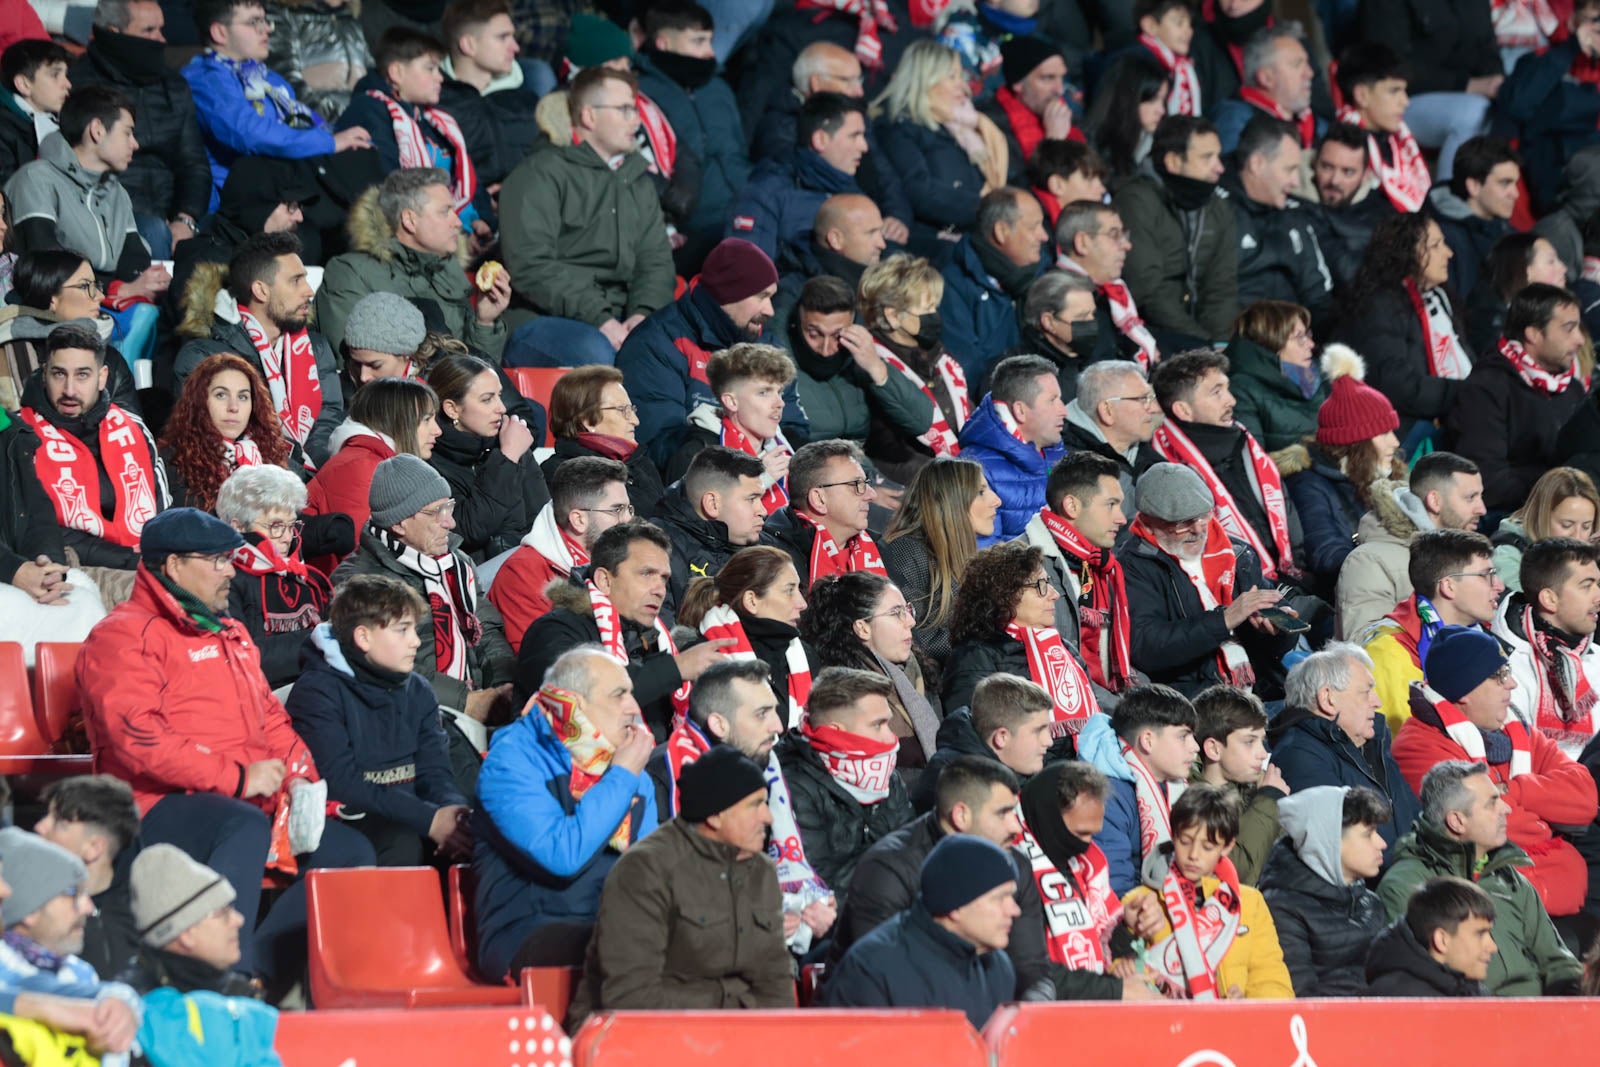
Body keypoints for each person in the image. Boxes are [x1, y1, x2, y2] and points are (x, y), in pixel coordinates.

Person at [76, 507, 375, 990]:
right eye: (214, 561)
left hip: (240, 804)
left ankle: (256, 980)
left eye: (228, 559)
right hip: (152, 808)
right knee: (242, 825)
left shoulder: (229, 633)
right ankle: (224, 976)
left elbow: (272, 720)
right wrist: (238, 777)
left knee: (349, 851)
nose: (228, 571)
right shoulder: (122, 636)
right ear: (173, 566)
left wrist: (300, 778)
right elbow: (137, 740)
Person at [566, 744, 791, 1025]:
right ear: (714, 816)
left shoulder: (762, 872)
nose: (768, 817)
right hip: (633, 1040)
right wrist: (725, 1021)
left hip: (730, 1039)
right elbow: (631, 999)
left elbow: (775, 983)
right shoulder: (645, 869)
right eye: (755, 805)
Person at [471, 645, 658, 979]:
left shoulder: (627, 767)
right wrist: (621, 778)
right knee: (636, 948)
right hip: (526, 934)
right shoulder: (512, 761)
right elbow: (561, 856)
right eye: (619, 695)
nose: (633, 708)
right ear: (576, 703)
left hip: (613, 927)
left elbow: (651, 871)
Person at [1393, 625, 1598, 918]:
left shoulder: (1516, 731)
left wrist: (1513, 791)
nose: (1512, 684)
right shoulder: (1419, 746)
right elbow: (1481, 828)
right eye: (1499, 675)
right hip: (1491, 909)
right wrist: (1548, 820)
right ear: (1465, 690)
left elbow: (1584, 798)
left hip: (1547, 898)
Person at [332, 455, 515, 775]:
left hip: (478, 708)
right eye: (436, 512)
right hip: (412, 726)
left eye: (450, 507)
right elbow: (384, 672)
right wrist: (467, 703)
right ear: (399, 522)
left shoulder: (457, 565)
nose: (451, 522)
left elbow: (485, 628)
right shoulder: (359, 583)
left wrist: (504, 686)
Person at [830, 757, 1053, 1000]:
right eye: (1004, 813)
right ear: (961, 816)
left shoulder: (1014, 864)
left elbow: (1031, 970)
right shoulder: (889, 868)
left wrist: (1028, 1021)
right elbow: (884, 977)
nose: (1016, 827)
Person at [287, 574, 471, 865]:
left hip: (413, 814)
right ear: (363, 637)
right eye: (402, 630)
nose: (415, 641)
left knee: (479, 835)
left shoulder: (419, 689)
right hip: (350, 820)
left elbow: (435, 771)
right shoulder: (317, 691)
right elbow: (340, 782)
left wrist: (453, 814)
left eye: (414, 629)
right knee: (401, 841)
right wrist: (429, 819)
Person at [498, 65, 674, 368]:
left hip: (620, 319)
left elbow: (655, 262)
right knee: (601, 356)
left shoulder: (638, 182)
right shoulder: (540, 173)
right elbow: (530, 264)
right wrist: (601, 318)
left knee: (676, 355)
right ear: (589, 116)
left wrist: (642, 315)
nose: (636, 119)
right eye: (625, 110)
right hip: (543, 319)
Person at [1376, 759, 1583, 996]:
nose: (1506, 809)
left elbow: (1558, 962)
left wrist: (1574, 1008)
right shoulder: (1405, 888)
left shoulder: (1510, 878)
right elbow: (1416, 985)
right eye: (1491, 803)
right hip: (1469, 1022)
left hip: (1538, 1019)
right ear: (1457, 821)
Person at [515, 520, 728, 739]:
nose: (660, 590)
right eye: (646, 574)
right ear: (605, 581)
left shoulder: (655, 640)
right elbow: (578, 703)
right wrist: (676, 669)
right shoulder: (556, 630)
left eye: (664, 579)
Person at [618, 237, 802, 469]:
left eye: (771, 297)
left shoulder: (765, 343)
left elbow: (794, 427)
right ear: (729, 293)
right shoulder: (656, 343)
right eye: (761, 297)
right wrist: (747, 465)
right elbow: (658, 446)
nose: (770, 310)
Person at [1117, 463, 1293, 698]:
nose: (1199, 528)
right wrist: (1225, 619)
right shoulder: (1133, 565)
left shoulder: (1237, 553)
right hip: (1193, 705)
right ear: (1149, 521)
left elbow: (1272, 649)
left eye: (1204, 515)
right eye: (1183, 522)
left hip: (1261, 691)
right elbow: (1146, 647)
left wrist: (1277, 631)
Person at [174, 231, 343, 468]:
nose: (308, 291)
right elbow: (211, 440)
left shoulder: (316, 348)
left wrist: (321, 477)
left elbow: (327, 423)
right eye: (296, 280)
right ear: (261, 291)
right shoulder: (204, 357)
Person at [16, 323, 167, 584]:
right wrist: (135, 563)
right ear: (44, 375)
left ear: (102, 377)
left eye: (82, 375)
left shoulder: (132, 428)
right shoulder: (17, 435)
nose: (70, 390)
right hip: (68, 570)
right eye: (59, 374)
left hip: (144, 563)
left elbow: (163, 511)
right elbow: (41, 530)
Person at [181, 0, 374, 201]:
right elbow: (248, 133)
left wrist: (344, 139)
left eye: (265, 20)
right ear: (220, 33)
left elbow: (300, 124)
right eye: (254, 22)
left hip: (280, 188)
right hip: (235, 202)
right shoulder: (205, 79)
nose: (267, 29)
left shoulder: (268, 79)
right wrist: (330, 142)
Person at [822, 832, 1020, 1026]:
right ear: (956, 907)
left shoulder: (998, 968)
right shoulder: (872, 969)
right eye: (999, 898)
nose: (1015, 910)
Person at [315, 167, 509, 361]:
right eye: (445, 212)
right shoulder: (350, 274)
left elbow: (477, 370)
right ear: (409, 220)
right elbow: (356, 365)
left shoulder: (447, 271)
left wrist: (485, 322)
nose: (457, 222)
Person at [1118, 783, 1293, 998]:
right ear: (1173, 835)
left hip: (1233, 1029)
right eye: (1185, 841)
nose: (1193, 854)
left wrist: (1249, 1005)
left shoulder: (1249, 902)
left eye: (1208, 847)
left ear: (1228, 846)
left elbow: (1271, 978)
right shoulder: (1141, 901)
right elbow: (1116, 972)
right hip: (1165, 1025)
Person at [69, 0, 211, 261]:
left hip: (171, 214)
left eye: (161, 29)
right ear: (114, 32)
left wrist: (185, 219)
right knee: (153, 233)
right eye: (148, 31)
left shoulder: (173, 86)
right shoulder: (76, 85)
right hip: (107, 214)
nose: (161, 39)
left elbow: (194, 164)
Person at [1148, 347, 1302, 583]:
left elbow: (1290, 523)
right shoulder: (1166, 470)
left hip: (1293, 577)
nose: (1231, 400)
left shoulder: (1247, 445)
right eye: (1216, 392)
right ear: (1183, 410)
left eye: (1227, 389)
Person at [5, 85, 166, 304]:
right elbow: (47, 265)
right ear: (97, 130)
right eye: (127, 133)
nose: (135, 144)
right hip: (48, 307)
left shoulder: (117, 193)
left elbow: (134, 260)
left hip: (99, 300)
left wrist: (144, 284)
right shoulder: (36, 179)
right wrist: (117, 288)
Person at [335, 26, 493, 237]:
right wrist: (458, 238)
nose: (440, 78)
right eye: (430, 68)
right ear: (396, 72)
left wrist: (484, 222)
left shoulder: (434, 120)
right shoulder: (368, 111)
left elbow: (468, 176)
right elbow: (387, 185)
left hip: (455, 233)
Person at [1446, 283, 1589, 514]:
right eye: (1568, 328)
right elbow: (1488, 481)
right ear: (1533, 333)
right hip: (1510, 519)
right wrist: (1558, 490)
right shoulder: (1486, 389)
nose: (1580, 339)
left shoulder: (1571, 388)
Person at [0, 828, 143, 1055]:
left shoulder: (80, 971)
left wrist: (119, 998)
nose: (88, 907)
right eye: (74, 893)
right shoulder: (4, 959)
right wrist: (52, 1008)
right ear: (30, 909)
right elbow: (25, 983)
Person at [1265, 644, 1420, 853]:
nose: (1377, 701)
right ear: (1328, 699)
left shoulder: (1374, 744)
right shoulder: (1299, 757)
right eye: (1366, 692)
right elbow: (1345, 848)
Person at [773, 666, 914, 894]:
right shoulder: (791, 785)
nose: (891, 737)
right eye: (878, 725)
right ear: (835, 731)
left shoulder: (884, 773)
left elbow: (912, 848)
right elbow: (819, 882)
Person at [1332, 209, 1467, 448]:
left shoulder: (1439, 299)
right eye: (1435, 246)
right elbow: (1396, 384)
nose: (1448, 253)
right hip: (1403, 434)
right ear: (1407, 253)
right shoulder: (1381, 305)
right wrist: (1465, 393)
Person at [1015, 451, 1137, 709]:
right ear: (1072, 506)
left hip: (1105, 702)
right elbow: (1052, 669)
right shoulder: (1024, 565)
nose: (1121, 518)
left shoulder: (1102, 565)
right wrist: (1128, 711)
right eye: (1110, 505)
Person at [943, 542, 1101, 739]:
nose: (1054, 594)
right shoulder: (974, 658)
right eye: (1040, 586)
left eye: (1049, 583)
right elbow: (973, 740)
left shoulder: (1064, 649)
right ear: (1005, 594)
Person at [872, 39, 1008, 258]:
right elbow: (920, 192)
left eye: (961, 76)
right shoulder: (899, 131)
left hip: (972, 233)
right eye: (951, 76)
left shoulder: (961, 132)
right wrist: (987, 209)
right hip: (935, 246)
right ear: (924, 79)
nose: (962, 86)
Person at [1333, 452, 1485, 642]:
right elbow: (1368, 649)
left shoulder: (1472, 560)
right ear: (1435, 501)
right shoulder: (1370, 562)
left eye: (1481, 496)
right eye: (1470, 498)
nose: (1482, 509)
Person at [1365, 529, 1503, 734]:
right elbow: (1402, 746)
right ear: (1449, 586)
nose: (1499, 586)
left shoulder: (1486, 640)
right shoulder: (1389, 651)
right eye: (1485, 576)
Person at [1114, 114, 1236, 344]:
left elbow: (1221, 287)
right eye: (1207, 157)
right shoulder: (1136, 201)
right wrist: (1201, 343)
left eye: (1218, 156)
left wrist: (1220, 344)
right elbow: (1147, 289)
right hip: (1151, 335)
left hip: (1200, 338)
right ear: (1173, 161)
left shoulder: (1217, 205)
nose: (1219, 168)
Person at [801, 571, 939, 771]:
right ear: (862, 628)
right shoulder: (849, 696)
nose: (910, 621)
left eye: (907, 610)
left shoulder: (918, 671)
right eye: (896, 613)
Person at [1258, 785, 1389, 996]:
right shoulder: (1282, 909)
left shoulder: (1371, 903)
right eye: (1368, 834)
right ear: (1328, 841)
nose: (1382, 843)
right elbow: (1302, 996)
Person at [489, 457, 629, 653]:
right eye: (617, 510)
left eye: (628, 509)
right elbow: (542, 660)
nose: (628, 520)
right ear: (579, 519)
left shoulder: (623, 560)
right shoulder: (523, 572)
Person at [216, 465, 334, 689]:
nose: (287, 537)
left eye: (292, 526)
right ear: (238, 527)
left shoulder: (306, 578)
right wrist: (324, 638)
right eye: (276, 526)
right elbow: (248, 657)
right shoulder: (226, 580)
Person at [423, 352, 547, 563]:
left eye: (499, 395)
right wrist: (507, 459)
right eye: (487, 399)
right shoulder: (430, 459)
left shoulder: (510, 442)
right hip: (477, 574)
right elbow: (468, 531)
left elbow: (543, 517)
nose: (502, 408)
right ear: (452, 409)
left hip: (528, 563)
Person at [1076, 683, 1199, 895]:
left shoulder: (1173, 783)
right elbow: (1113, 889)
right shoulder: (1106, 798)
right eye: (1183, 736)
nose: (1195, 746)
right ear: (1148, 741)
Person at [727, 91, 874, 268]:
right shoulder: (766, 193)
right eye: (854, 136)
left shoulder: (849, 188)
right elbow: (748, 272)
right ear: (820, 139)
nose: (864, 147)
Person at [303, 376, 440, 565]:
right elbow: (361, 557)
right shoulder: (359, 466)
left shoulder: (378, 462)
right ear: (397, 420)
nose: (437, 430)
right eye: (427, 420)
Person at [857, 252, 968, 486]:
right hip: (916, 484)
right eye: (926, 308)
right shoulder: (871, 362)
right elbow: (888, 449)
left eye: (934, 307)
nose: (934, 316)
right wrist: (950, 478)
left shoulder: (940, 359)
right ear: (893, 315)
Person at [881, 457, 999, 664]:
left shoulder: (966, 555)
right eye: (981, 492)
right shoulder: (906, 551)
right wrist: (995, 632)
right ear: (952, 501)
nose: (997, 500)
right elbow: (920, 640)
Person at [1488, 0, 1600, 213]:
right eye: (1595, 19)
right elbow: (1518, 106)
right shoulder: (1542, 60)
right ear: (1574, 22)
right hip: (1561, 178)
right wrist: (1572, 48)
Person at [1493, 538, 1600, 760]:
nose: (1597, 596)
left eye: (1598, 585)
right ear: (1550, 599)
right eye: (1587, 586)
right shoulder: (1503, 667)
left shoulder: (1596, 657)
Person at [167, 154, 314, 312]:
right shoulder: (204, 271)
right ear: (258, 205)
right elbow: (199, 333)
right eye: (291, 206)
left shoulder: (280, 259)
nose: (299, 217)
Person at [1224, 116, 1333, 326]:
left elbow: (1319, 295)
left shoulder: (1295, 214)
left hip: (1296, 343)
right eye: (1289, 169)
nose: (1296, 182)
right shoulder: (1216, 213)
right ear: (1257, 164)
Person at [32, 776, 141, 980]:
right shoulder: (23, 909)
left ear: (93, 848)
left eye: (59, 823)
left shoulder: (144, 917)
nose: (40, 827)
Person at [664, 343, 797, 505]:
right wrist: (760, 481)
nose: (780, 403)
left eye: (780, 392)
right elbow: (685, 524)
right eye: (763, 393)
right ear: (732, 402)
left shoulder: (785, 449)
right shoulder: (695, 456)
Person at [155, 351, 287, 513]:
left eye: (243, 397)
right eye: (221, 395)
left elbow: (292, 521)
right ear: (200, 401)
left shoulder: (269, 453)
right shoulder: (174, 460)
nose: (233, 407)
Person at [938, 187, 1047, 381]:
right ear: (1001, 231)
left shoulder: (1041, 273)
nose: (1044, 236)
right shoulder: (952, 286)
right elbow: (966, 371)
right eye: (1033, 227)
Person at [958, 354, 1069, 545]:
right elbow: (985, 558)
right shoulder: (975, 469)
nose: (1063, 411)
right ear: (1020, 411)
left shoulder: (1055, 452)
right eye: (1052, 400)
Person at [120, 845, 257, 999]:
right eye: (223, 913)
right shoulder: (137, 1012)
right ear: (185, 934)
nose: (239, 920)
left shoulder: (235, 990)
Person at [916, 673, 1058, 815]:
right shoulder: (956, 783)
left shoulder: (1021, 770)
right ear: (1001, 737)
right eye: (1038, 731)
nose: (1049, 741)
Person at [539, 364, 664, 521]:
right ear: (588, 420)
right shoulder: (562, 474)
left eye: (632, 410)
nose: (635, 420)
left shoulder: (642, 465)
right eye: (622, 410)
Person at [655, 446, 768, 615]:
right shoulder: (657, 551)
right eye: (751, 499)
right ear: (712, 503)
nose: (763, 511)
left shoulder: (763, 544)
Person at [437, 0, 539, 186]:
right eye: (502, 37)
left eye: (513, 37)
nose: (515, 47)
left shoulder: (528, 101)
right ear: (468, 45)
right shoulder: (436, 104)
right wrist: (480, 200)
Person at [760, 439, 885, 591]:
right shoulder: (772, 559)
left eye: (866, 483)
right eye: (856, 485)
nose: (871, 495)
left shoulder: (879, 547)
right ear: (819, 499)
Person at [1192, 684, 1285, 885]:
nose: (1262, 753)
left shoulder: (1254, 788)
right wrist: (1268, 800)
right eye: (1249, 742)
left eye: (1262, 741)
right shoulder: (1191, 802)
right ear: (1214, 749)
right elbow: (1236, 874)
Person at [1331, 43, 1431, 214]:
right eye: (1394, 91)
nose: (1405, 101)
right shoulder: (1342, 147)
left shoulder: (1393, 139)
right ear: (1362, 95)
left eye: (1404, 91)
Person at [1365, 874, 1499, 997]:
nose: (1493, 947)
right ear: (1441, 940)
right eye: (1480, 934)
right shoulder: (1398, 999)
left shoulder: (1472, 990)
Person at [1224, 300, 1328, 453]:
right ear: (1272, 343)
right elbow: (1255, 461)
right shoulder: (1242, 390)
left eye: (1307, 334)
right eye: (1300, 337)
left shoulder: (1320, 375)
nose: (1311, 344)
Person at [1428, 137, 1519, 300]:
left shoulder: (1508, 232)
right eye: (1505, 183)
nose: (1515, 194)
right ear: (1474, 186)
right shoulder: (1441, 239)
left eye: (1515, 184)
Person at [1306, 122, 1394, 292]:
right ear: (1314, 163)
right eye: (1327, 167)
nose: (1334, 180)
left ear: (1364, 176)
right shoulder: (1290, 201)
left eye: (1347, 172)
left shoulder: (1382, 215)